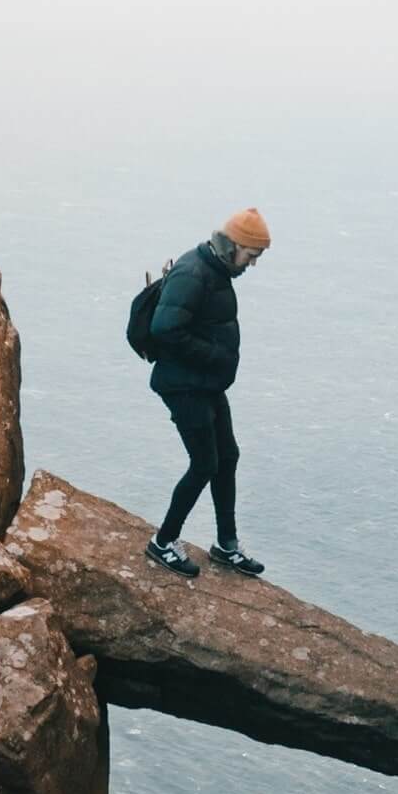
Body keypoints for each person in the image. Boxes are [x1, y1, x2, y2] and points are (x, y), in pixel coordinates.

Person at [143, 208, 270, 578]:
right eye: (251, 256)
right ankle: (163, 541)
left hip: (205, 383)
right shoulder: (193, 273)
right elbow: (165, 328)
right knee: (204, 464)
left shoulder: (214, 270)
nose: (252, 264)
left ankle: (226, 545)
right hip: (183, 386)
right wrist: (214, 357)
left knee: (227, 455)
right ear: (233, 247)